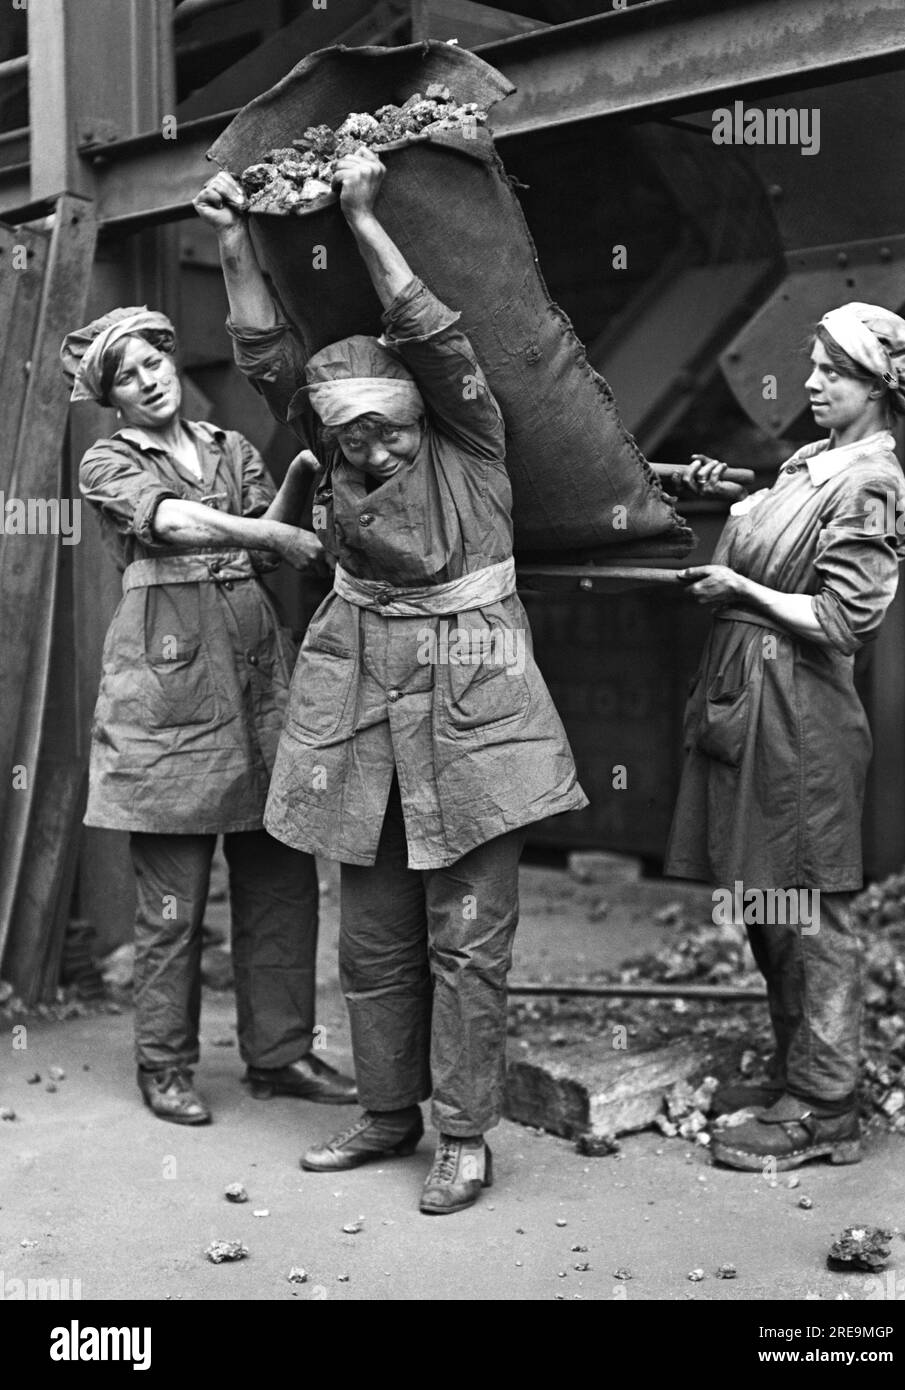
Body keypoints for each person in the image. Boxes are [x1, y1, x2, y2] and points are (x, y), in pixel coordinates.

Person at [194, 148, 587, 1213]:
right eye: (347, 431)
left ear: (422, 412)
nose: (369, 447)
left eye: (385, 424)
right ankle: (384, 1111)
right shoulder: (328, 452)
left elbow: (437, 337)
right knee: (372, 938)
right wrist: (234, 239)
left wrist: (362, 216)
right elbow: (272, 361)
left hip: (477, 712)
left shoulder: (471, 442)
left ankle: (465, 1135)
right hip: (361, 703)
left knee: (468, 939)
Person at [61, 308, 357, 1124]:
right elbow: (169, 522)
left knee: (282, 881)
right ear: (111, 396)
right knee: (171, 903)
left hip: (259, 684)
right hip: (167, 691)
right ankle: (163, 1064)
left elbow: (274, 543)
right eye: (126, 374)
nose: (149, 378)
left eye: (155, 359)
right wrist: (272, 533)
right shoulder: (108, 460)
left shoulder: (229, 448)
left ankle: (281, 1054)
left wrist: (297, 476)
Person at [665, 302, 905, 1170]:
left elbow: (843, 616)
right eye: (814, 366)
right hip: (751, 694)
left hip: (801, 713)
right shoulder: (815, 460)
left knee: (809, 902)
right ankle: (796, 1069)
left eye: (833, 373)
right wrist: (729, 490)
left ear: (878, 388)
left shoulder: (872, 481)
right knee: (766, 895)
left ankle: (825, 1104)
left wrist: (739, 593)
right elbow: (783, 524)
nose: (810, 384)